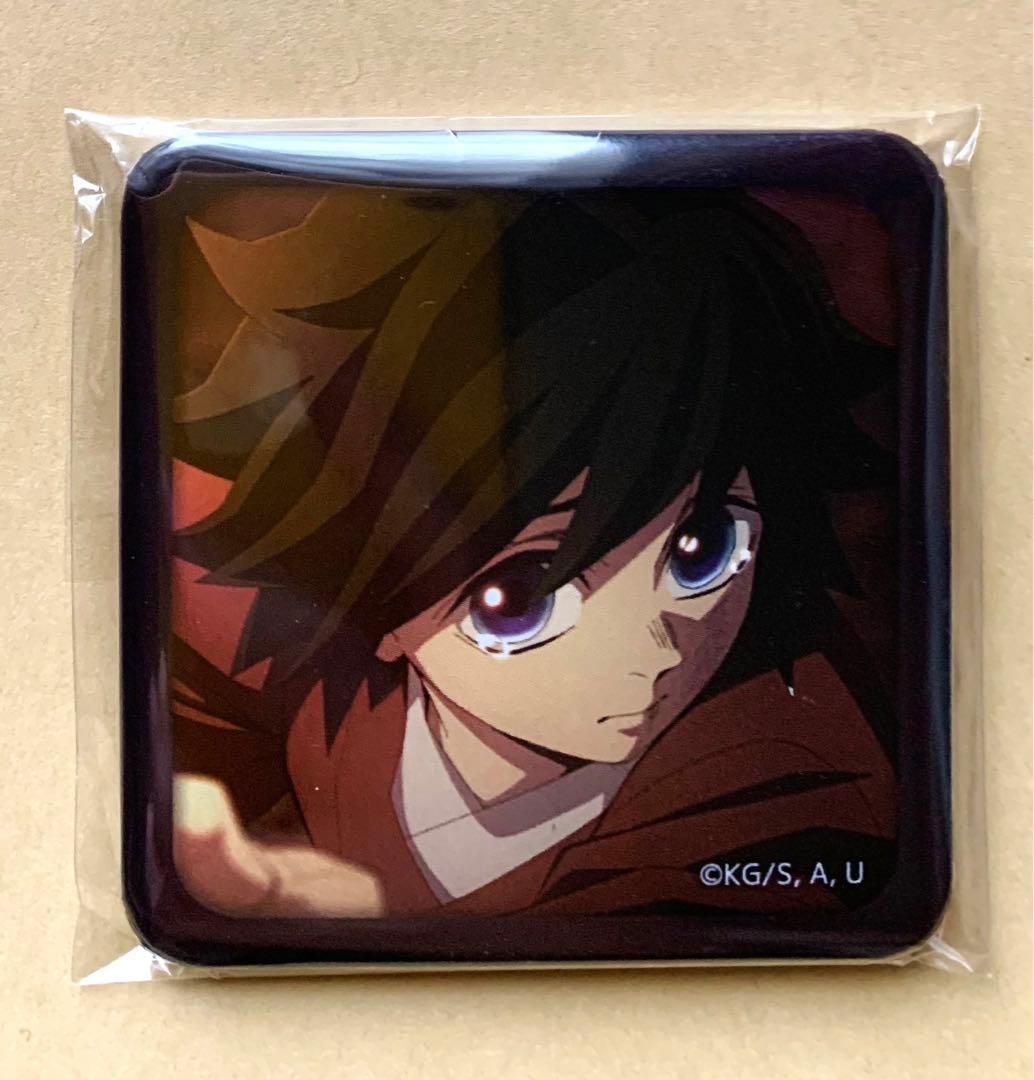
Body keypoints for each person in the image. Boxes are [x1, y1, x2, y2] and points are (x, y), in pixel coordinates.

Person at [166, 182, 898, 919]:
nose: (653, 655)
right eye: (517, 600)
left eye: (700, 550)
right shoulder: (294, 610)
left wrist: (318, 902)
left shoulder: (787, 791)